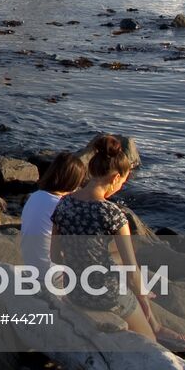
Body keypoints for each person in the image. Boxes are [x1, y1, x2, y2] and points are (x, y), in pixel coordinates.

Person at [50, 134, 158, 340]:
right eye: (123, 182)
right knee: (149, 339)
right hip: (106, 295)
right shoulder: (113, 214)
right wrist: (142, 296)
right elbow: (131, 270)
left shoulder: (63, 204)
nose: (121, 187)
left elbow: (55, 256)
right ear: (115, 178)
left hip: (75, 291)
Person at [21, 151, 88, 277]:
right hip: (51, 273)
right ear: (73, 181)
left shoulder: (34, 196)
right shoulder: (61, 206)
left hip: (31, 265)